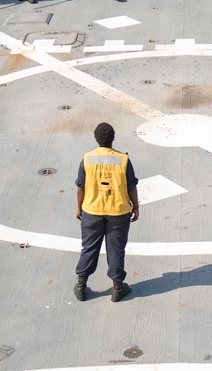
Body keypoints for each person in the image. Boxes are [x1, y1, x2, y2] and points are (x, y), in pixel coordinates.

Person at [74, 121, 140, 303]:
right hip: (118, 211)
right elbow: (131, 187)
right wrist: (136, 206)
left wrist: (79, 207)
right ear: (113, 138)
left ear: (96, 139)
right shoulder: (123, 160)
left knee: (89, 247)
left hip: (92, 210)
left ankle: (81, 285)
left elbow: (81, 187)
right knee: (116, 250)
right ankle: (118, 287)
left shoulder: (87, 159)